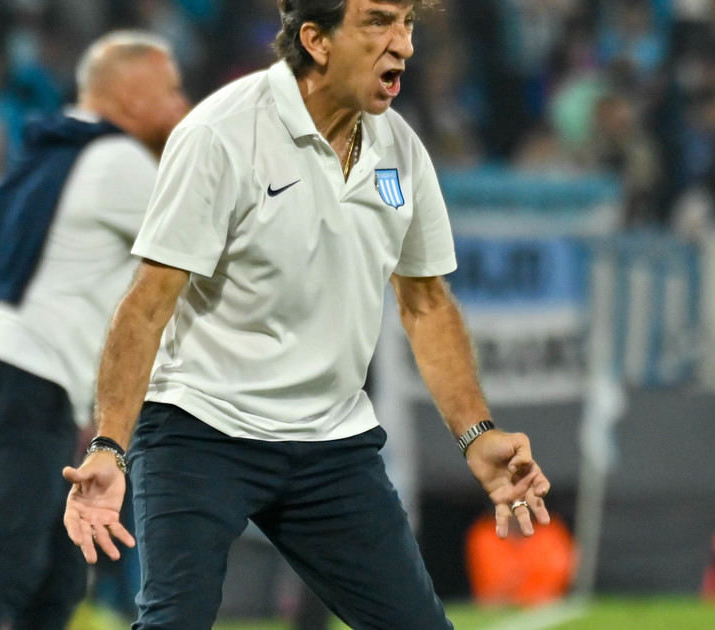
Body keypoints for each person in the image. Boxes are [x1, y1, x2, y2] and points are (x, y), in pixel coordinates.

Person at [62, 1, 552, 628]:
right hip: (201, 427)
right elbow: (146, 305)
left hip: (330, 442)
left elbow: (426, 304)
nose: (403, 44)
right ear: (316, 40)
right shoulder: (222, 134)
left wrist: (477, 435)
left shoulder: (401, 149)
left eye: (406, 23)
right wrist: (110, 445)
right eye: (378, 22)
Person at [0, 31, 189, 630]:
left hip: (8, 376)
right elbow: (210, 242)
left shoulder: (49, 153)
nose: (182, 107)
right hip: (22, 376)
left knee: (56, 575)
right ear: (131, 96)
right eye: (171, 91)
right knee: (8, 557)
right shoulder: (117, 160)